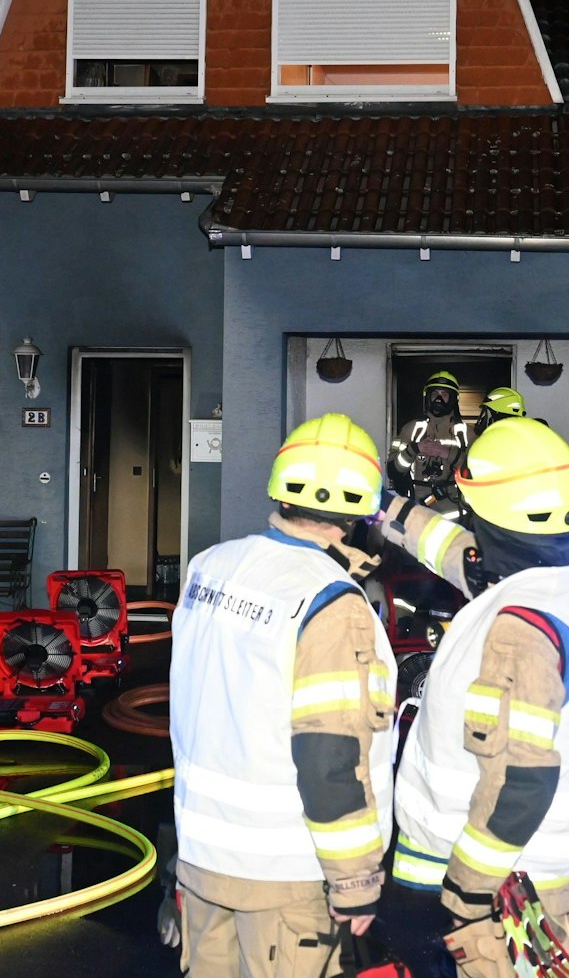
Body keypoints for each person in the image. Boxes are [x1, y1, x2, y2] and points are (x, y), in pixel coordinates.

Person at [378, 417, 569, 976]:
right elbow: (456, 551)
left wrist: (467, 894)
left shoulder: (523, 635)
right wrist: (383, 508)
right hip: (535, 865)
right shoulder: (566, 572)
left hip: (500, 884)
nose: (468, 524)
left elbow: (520, 783)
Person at [169, 413, 398, 977]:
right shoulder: (331, 603)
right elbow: (330, 756)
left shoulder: (209, 567)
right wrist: (355, 880)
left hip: (201, 859)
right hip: (285, 875)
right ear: (359, 514)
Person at [388, 371, 470, 507]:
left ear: (453, 399)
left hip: (455, 512)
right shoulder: (410, 430)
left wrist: (448, 454)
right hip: (417, 510)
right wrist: (415, 449)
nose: (439, 399)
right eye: (434, 394)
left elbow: (478, 473)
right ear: (427, 397)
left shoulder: (466, 434)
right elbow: (393, 471)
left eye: (444, 394)